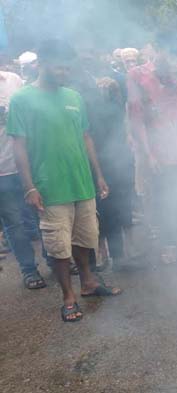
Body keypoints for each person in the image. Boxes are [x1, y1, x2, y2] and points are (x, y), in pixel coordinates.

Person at [8, 39, 121, 322]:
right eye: (59, 68)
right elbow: (19, 146)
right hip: (49, 187)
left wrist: (99, 175)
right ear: (41, 64)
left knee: (86, 238)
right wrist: (29, 186)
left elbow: (86, 137)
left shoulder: (73, 97)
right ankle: (68, 297)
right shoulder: (22, 99)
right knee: (58, 246)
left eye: (67, 68)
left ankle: (89, 282)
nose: (64, 73)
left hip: (81, 182)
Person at [127, 31, 177, 264]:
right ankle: (167, 244)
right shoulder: (137, 74)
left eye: (176, 54)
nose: (171, 58)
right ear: (157, 50)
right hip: (158, 149)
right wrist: (148, 153)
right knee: (162, 196)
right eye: (167, 53)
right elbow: (136, 116)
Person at [0, 68, 41, 289]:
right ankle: (29, 270)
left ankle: (56, 260)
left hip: (27, 163)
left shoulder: (13, 80)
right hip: (1, 171)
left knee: (41, 214)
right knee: (14, 224)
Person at [92, 77, 135, 268]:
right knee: (104, 209)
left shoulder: (119, 108)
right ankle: (105, 253)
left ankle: (124, 252)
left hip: (120, 160)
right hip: (101, 163)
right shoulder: (91, 112)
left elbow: (125, 132)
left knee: (122, 206)